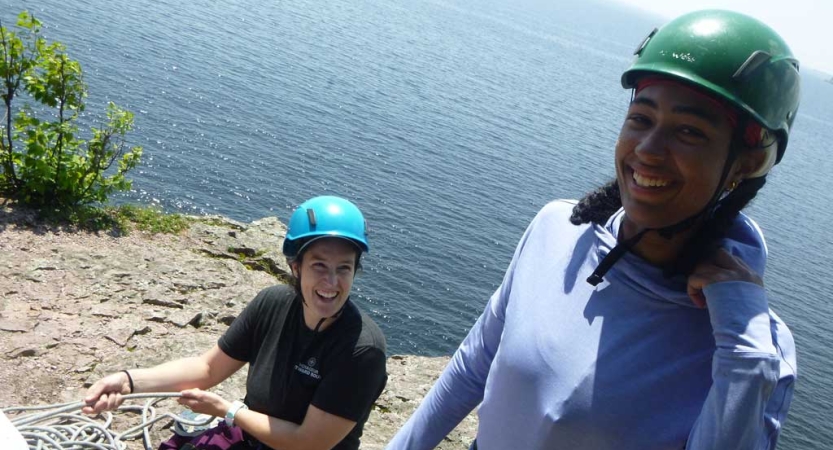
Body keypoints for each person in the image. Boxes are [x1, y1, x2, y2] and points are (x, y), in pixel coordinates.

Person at [388, 10, 798, 450]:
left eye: (688, 131)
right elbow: (475, 365)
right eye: (640, 118)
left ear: (747, 162)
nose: (648, 150)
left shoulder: (749, 343)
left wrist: (746, 358)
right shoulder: (557, 229)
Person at [84, 195, 387, 450]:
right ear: (296, 267)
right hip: (249, 439)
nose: (331, 282)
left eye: (344, 268)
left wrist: (228, 411)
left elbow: (308, 443)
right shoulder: (274, 304)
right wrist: (127, 381)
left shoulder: (361, 350)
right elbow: (208, 368)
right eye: (319, 265)